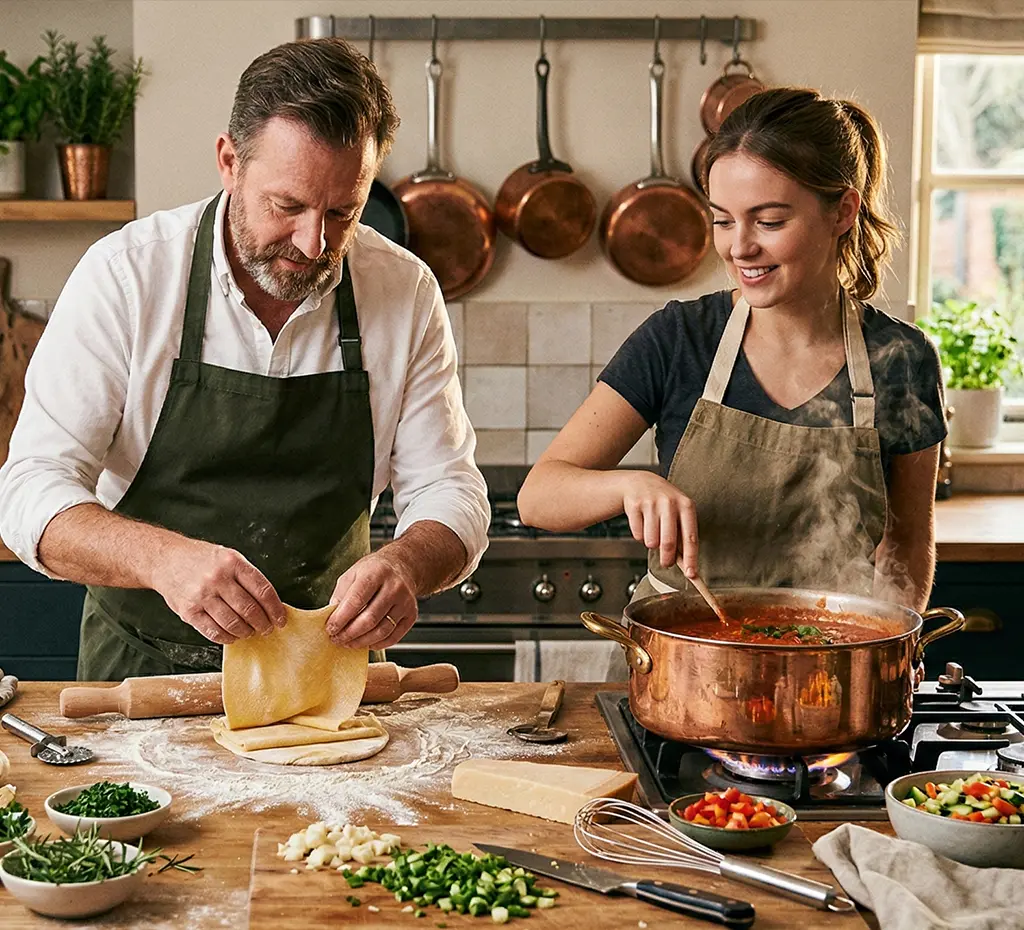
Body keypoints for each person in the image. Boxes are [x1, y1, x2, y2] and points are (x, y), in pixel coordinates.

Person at [0, 38, 489, 680]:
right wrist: (162, 560)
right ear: (230, 162)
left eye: (343, 211)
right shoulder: (127, 277)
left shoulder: (403, 290)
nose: (315, 243)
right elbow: (30, 490)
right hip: (144, 677)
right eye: (287, 206)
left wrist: (407, 563)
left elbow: (449, 487)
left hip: (323, 679)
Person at [519, 87, 946, 613]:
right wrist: (632, 485)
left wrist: (891, 643)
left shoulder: (903, 358)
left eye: (769, 221)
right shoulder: (678, 340)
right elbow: (539, 495)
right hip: (684, 659)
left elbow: (906, 543)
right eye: (723, 219)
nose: (738, 247)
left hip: (829, 657)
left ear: (842, 213)